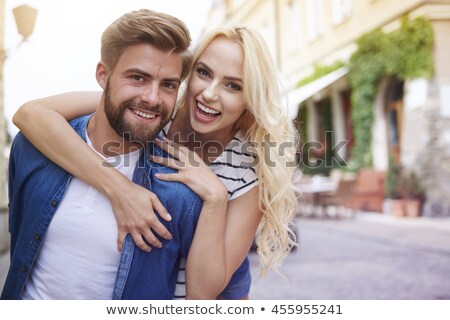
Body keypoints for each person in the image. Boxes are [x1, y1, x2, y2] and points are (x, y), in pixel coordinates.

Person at [11, 26, 299, 299]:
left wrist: (216, 197)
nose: (209, 93)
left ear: (250, 98)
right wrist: (120, 189)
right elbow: (30, 114)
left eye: (233, 86)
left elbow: (203, 294)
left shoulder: (249, 171)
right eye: (203, 72)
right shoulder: (150, 112)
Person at [1, 9, 206, 300]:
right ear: (103, 74)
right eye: (137, 77)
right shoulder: (33, 150)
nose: (152, 98)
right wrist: (119, 187)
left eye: (168, 85)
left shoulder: (180, 192)